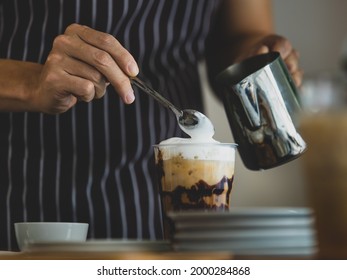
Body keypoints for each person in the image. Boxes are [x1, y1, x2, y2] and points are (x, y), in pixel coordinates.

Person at [0, 0, 302, 251]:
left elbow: (239, 34)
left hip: (165, 187)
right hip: (27, 183)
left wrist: (252, 57)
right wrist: (29, 83)